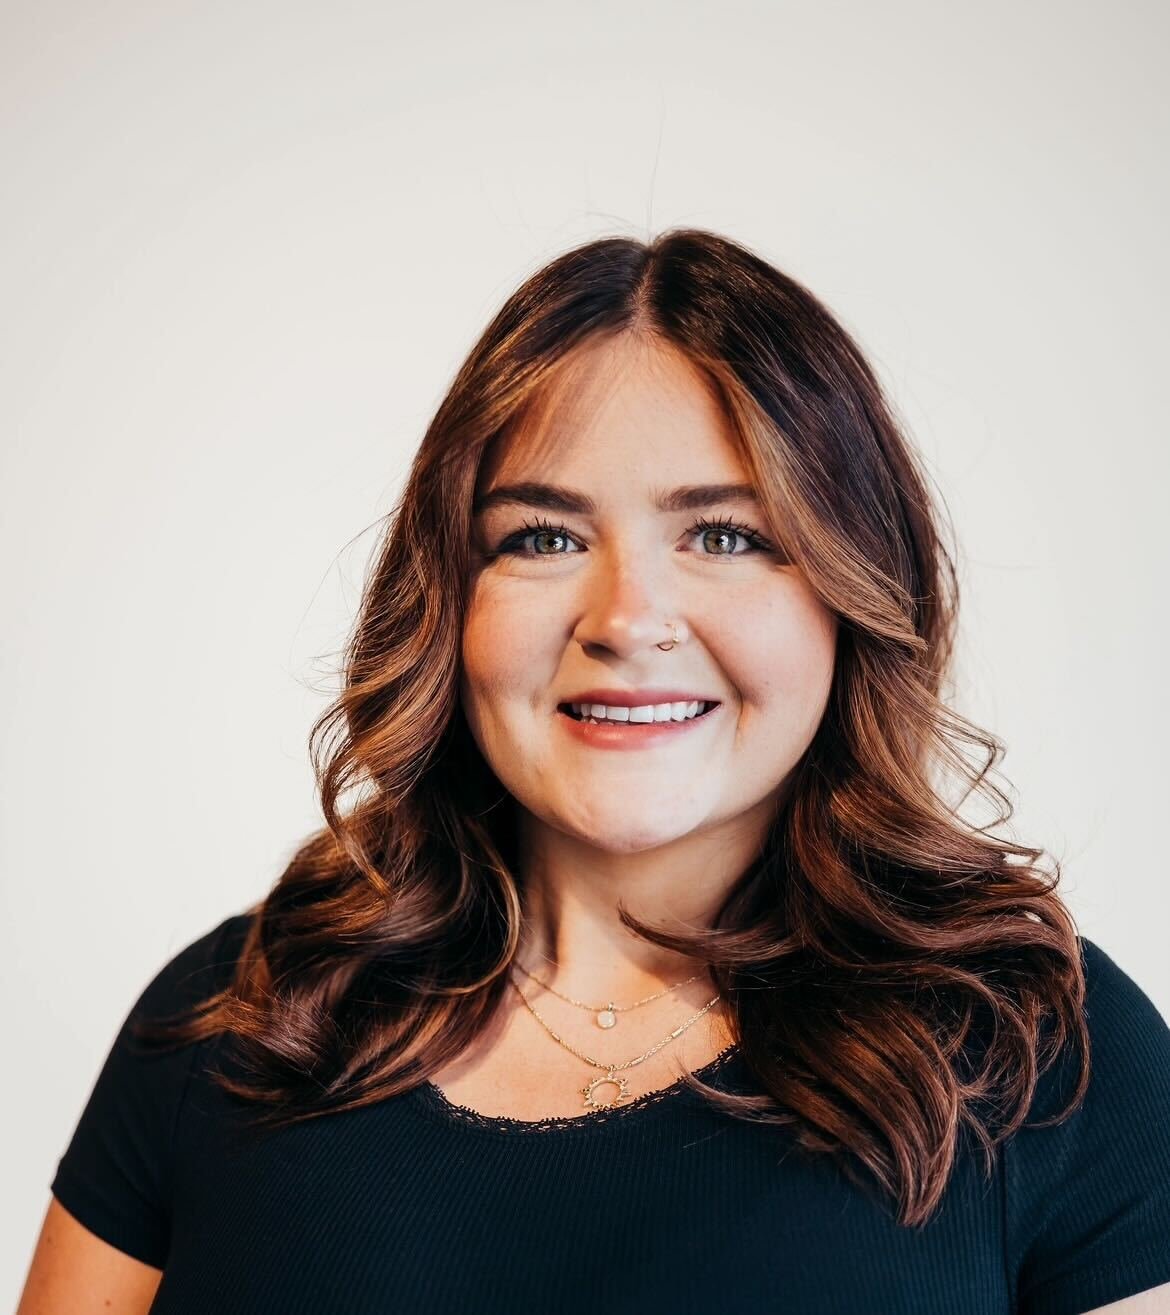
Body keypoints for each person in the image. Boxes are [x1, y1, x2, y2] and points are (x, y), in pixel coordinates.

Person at [18, 230, 1170, 1315]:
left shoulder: (1047, 1057)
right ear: (449, 600)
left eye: (725, 534)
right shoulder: (242, 1016)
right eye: (543, 537)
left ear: (853, 588)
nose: (626, 618)